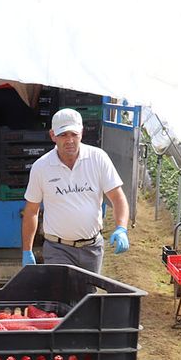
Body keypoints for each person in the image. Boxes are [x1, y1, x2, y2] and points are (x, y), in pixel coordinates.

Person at [20, 108, 129, 274]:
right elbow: (31, 211)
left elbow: (117, 198)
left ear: (82, 133)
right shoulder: (41, 167)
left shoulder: (98, 159)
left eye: (74, 134)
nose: (69, 140)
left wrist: (121, 228)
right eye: (63, 135)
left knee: (88, 296)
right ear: (52, 135)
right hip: (58, 249)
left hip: (91, 249)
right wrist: (27, 250)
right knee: (61, 296)